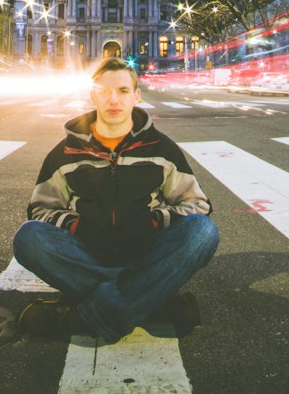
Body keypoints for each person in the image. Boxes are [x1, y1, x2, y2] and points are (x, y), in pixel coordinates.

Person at [13, 57, 218, 342]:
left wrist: (155, 221)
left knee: (202, 232)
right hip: (86, 251)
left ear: (136, 96)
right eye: (104, 91)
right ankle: (150, 300)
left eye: (122, 91)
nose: (113, 99)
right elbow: (40, 209)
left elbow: (198, 204)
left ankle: (84, 316)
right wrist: (76, 226)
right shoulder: (65, 153)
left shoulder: (162, 149)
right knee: (28, 238)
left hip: (146, 251)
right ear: (92, 95)